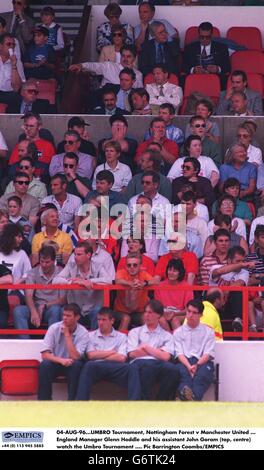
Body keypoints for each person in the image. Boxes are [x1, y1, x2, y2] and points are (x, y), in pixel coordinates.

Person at [127, 299, 180, 400]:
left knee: (174, 370)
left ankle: (161, 400)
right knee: (148, 369)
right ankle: (144, 403)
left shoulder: (167, 336)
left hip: (159, 364)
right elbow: (132, 354)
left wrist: (146, 347)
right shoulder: (135, 332)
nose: (146, 315)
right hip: (139, 364)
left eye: (150, 312)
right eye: (145, 312)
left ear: (159, 315)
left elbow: (166, 357)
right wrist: (157, 351)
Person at [75, 307, 130, 400]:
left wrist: (99, 355)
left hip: (115, 367)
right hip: (96, 367)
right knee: (88, 365)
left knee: (132, 368)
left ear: (112, 321)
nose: (100, 323)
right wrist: (112, 352)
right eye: (98, 319)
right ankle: (81, 404)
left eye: (104, 320)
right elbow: (90, 355)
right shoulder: (90, 335)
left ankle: (135, 404)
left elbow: (121, 358)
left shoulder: (121, 336)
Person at [38, 303, 89, 400]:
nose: (65, 318)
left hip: (72, 364)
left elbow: (75, 357)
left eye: (68, 316)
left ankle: (72, 402)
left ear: (77, 317)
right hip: (56, 362)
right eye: (63, 315)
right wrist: (61, 360)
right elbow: (45, 354)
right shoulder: (54, 328)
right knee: (44, 365)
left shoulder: (83, 332)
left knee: (77, 365)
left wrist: (67, 334)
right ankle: (44, 403)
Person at [13, 245, 65, 339]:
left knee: (56, 310)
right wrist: (33, 311)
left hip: (51, 308)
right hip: (35, 307)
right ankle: (25, 346)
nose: (44, 265)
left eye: (47, 262)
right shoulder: (32, 273)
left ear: (54, 261)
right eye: (42, 261)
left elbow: (63, 299)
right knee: (18, 311)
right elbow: (28, 295)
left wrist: (44, 306)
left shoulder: (62, 273)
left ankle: (51, 345)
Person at [174, 299, 215, 401]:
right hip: (184, 362)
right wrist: (189, 366)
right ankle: (193, 402)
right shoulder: (178, 332)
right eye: (188, 311)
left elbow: (207, 353)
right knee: (183, 376)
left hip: (202, 362)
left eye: (194, 313)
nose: (190, 315)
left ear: (200, 315)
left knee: (201, 377)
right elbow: (179, 353)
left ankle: (187, 400)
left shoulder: (208, 332)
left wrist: (196, 365)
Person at [69, 45, 143, 89]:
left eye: (129, 56)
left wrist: (130, 72)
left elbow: (138, 92)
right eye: (123, 56)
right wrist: (81, 65)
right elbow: (94, 66)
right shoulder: (109, 66)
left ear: (134, 58)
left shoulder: (138, 74)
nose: (125, 59)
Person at [183, 21, 230, 89]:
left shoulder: (222, 48)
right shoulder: (189, 48)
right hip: (195, 79)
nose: (204, 40)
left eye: (207, 37)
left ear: (211, 35)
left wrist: (217, 69)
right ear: (198, 35)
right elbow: (183, 68)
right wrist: (193, 70)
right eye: (202, 37)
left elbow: (227, 67)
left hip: (215, 81)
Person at [115, 253, 156, 330]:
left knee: (147, 318)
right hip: (120, 311)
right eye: (129, 265)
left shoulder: (143, 274)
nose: (132, 267)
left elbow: (155, 281)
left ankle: (148, 341)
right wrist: (129, 283)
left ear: (140, 266)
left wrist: (144, 283)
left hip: (138, 312)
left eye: (135, 265)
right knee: (126, 318)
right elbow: (117, 280)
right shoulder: (121, 272)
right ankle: (119, 342)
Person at [155, 258, 193, 332]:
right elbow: (157, 308)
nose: (171, 273)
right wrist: (164, 313)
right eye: (170, 270)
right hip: (163, 313)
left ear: (180, 273)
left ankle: (178, 342)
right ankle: (169, 341)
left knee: (174, 320)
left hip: (180, 314)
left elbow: (188, 309)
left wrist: (175, 314)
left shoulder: (186, 286)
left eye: (175, 271)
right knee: (161, 319)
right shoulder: (160, 286)